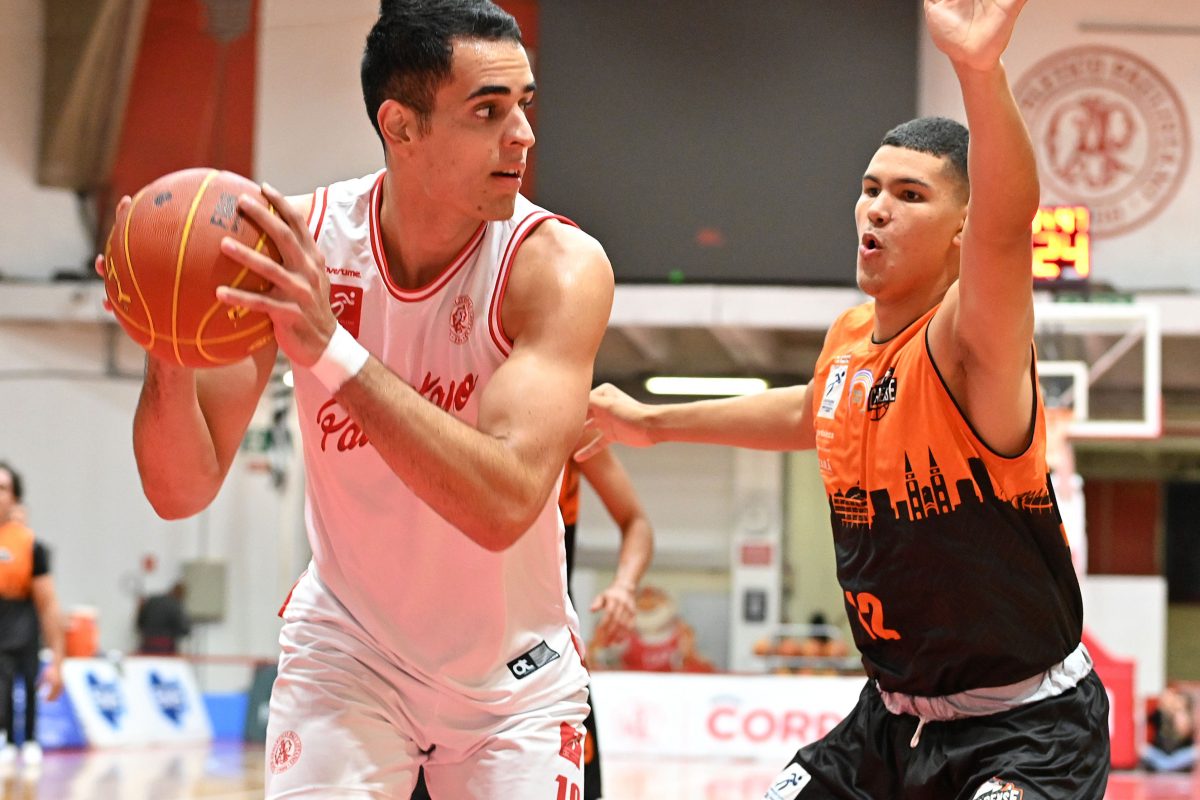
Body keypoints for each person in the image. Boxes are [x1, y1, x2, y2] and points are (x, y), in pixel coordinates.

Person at [581, 1, 1110, 797]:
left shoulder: (969, 345)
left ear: (961, 231)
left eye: (910, 195)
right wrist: (651, 423)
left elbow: (1007, 227)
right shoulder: (851, 339)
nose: (877, 208)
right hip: (888, 724)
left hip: (1028, 729)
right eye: (870, 189)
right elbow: (813, 412)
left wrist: (979, 70)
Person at [98, 1, 613, 795]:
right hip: (349, 653)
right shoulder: (296, 246)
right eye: (488, 111)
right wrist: (168, 343)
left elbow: (505, 503)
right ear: (400, 126)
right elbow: (180, 491)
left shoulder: (557, 268)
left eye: (525, 105)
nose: (523, 135)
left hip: (512, 676)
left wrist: (329, 348)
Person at [414, 444, 654, 799]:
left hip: (541, 652)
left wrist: (624, 586)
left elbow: (636, 520)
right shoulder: (433, 416)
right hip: (430, 646)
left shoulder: (578, 427)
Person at [0, 462, 64, 770]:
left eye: (2, 488)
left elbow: (48, 604)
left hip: (22, 623)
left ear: (14, 498)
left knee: (26, 683)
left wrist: (57, 660)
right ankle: (6, 737)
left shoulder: (29, 544)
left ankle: (28, 739)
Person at [1141, 686, 1196, 773]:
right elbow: (1144, 719)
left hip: (1178, 755)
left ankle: (1166, 766)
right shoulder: (1159, 714)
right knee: (1145, 750)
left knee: (1193, 753)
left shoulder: (1185, 717)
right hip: (1162, 754)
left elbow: (1183, 736)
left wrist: (1182, 720)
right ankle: (1167, 766)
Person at [135, 581, 192, 655]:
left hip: (147, 642)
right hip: (165, 646)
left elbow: (140, 622)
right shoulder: (175, 605)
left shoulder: (152, 600)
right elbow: (184, 628)